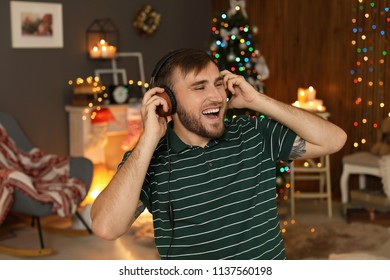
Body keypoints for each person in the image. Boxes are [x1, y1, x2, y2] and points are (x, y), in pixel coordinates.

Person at [90, 48, 347, 260]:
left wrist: (257, 100)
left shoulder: (253, 131)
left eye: (218, 84)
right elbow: (106, 227)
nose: (217, 97)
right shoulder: (148, 158)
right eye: (199, 87)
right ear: (167, 102)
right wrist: (147, 140)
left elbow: (334, 140)